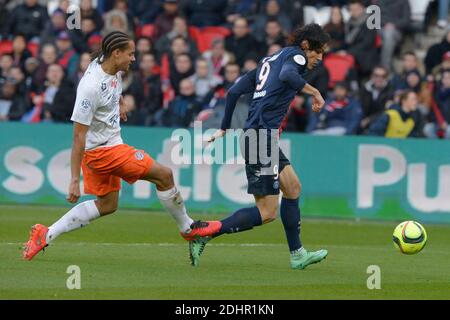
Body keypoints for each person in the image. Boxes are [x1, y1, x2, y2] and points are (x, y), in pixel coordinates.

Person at [22, 31, 221, 261]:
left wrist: (119, 100)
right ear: (116, 53)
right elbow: (78, 137)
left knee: (107, 205)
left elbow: (113, 81)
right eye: (131, 54)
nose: (133, 58)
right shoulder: (89, 89)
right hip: (105, 152)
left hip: (104, 148)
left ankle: (45, 234)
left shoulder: (106, 62)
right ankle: (189, 229)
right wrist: (74, 179)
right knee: (164, 175)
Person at [189, 24, 330, 269]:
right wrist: (315, 92)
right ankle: (206, 232)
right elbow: (288, 75)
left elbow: (233, 92)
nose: (320, 57)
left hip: (261, 137)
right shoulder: (295, 56)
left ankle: (297, 254)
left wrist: (224, 126)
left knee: (293, 188)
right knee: (267, 212)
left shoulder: (269, 60)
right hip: (259, 139)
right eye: (318, 51)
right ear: (306, 45)